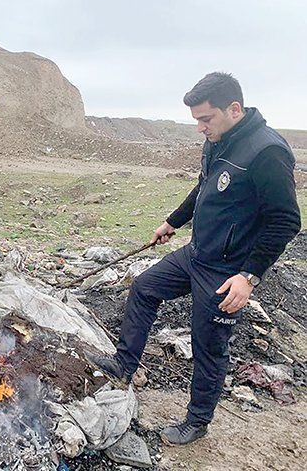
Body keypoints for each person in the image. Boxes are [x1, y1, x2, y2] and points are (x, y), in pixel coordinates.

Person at [91, 72, 301, 444]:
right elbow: (204, 186)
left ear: (233, 109)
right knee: (143, 288)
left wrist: (249, 276)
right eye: (197, 120)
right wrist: (173, 222)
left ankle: (197, 420)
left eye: (206, 119)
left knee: (209, 344)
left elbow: (286, 221)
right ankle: (124, 365)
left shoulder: (267, 152)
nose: (201, 128)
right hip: (197, 254)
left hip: (228, 271)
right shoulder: (217, 140)